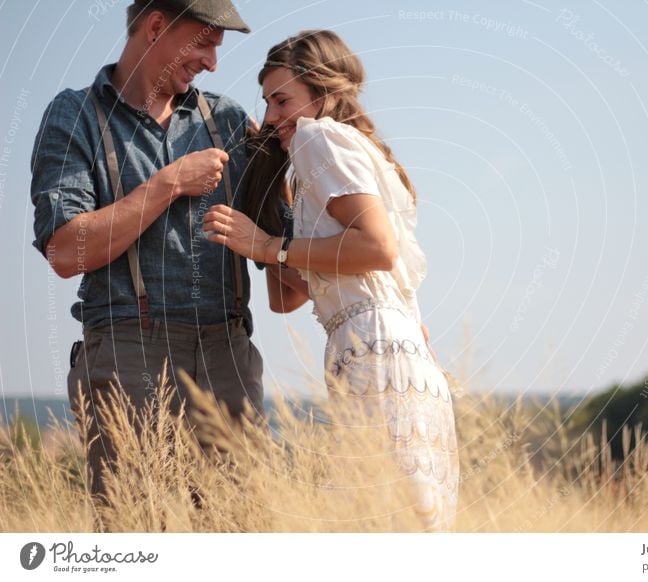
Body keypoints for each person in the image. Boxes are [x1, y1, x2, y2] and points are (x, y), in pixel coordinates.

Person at [202, 29, 459, 531]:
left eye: (283, 100)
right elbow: (284, 297)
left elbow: (378, 249)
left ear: (325, 96)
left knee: (377, 522)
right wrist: (268, 197)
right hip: (389, 347)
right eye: (268, 102)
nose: (272, 115)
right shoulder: (346, 150)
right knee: (402, 524)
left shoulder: (319, 137)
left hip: (376, 347)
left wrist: (265, 245)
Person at [29, 0, 262, 513]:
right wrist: (168, 184)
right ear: (156, 26)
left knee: (240, 539)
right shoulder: (74, 115)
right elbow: (67, 251)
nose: (213, 64)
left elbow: (282, 232)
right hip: (127, 356)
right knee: (137, 535)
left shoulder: (227, 119)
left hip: (229, 356)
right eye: (204, 44)